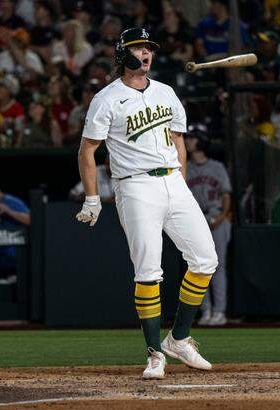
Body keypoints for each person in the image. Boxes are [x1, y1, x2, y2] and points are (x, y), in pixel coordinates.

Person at [76, 27, 217, 380]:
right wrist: (93, 198)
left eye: (149, 49)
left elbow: (178, 140)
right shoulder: (106, 99)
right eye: (138, 48)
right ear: (123, 54)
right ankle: (155, 354)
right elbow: (87, 151)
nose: (146, 54)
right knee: (148, 270)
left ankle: (179, 338)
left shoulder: (166, 92)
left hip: (172, 179)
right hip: (135, 186)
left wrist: (180, 182)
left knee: (205, 260)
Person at [184, 124, 232, 327]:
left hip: (215, 216)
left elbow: (226, 195)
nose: (187, 141)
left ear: (202, 140)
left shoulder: (217, 167)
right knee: (197, 268)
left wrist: (222, 216)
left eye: (192, 137)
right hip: (195, 219)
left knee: (218, 266)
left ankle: (219, 311)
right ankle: (206, 311)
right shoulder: (183, 166)